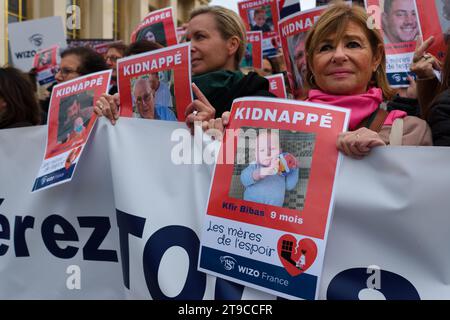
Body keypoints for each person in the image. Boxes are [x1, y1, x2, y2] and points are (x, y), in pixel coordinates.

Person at [207, 2, 432, 157]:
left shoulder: (410, 132)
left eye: (353, 44)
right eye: (326, 47)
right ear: (311, 64)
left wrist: (383, 160)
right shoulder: (273, 128)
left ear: (376, 58)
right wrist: (217, 141)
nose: (339, 56)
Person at [95, 6, 274, 129]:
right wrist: (112, 112)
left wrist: (218, 137)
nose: (190, 47)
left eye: (200, 37)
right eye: (187, 40)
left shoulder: (260, 101)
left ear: (232, 45)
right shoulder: (162, 101)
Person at [240, 130, 299, 207]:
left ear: (280, 152)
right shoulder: (255, 165)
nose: (267, 153)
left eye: (272, 149)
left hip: (272, 211)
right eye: (261, 150)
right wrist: (261, 172)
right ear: (255, 154)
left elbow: (289, 186)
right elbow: (244, 180)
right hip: (251, 207)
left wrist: (294, 168)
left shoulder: (282, 169)